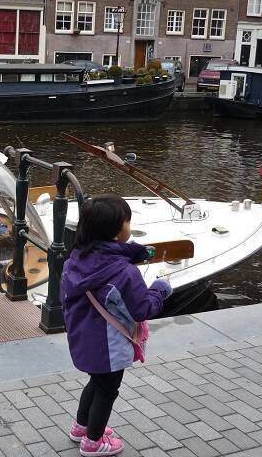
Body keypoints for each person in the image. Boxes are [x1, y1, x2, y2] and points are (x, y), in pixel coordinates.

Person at [61, 195, 172, 456]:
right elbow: (143, 309)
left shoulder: (76, 259)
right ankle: (93, 442)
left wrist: (137, 252)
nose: (129, 226)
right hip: (107, 345)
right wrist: (161, 288)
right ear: (115, 230)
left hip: (83, 338)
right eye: (127, 221)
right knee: (108, 390)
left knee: (96, 382)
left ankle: (81, 427)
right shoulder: (123, 272)